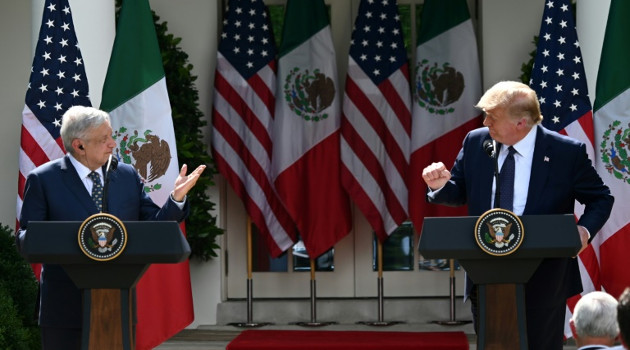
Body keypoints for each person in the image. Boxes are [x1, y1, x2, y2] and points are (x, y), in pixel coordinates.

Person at [421, 81, 614, 349]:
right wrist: (439, 185)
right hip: (485, 270)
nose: (485, 121)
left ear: (521, 123)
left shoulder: (565, 152)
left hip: (545, 275)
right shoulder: (477, 142)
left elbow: (600, 198)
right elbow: (460, 191)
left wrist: (584, 231)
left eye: (493, 116)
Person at [15, 106, 206, 350]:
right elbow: (26, 240)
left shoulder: (126, 175)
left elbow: (153, 228)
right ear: (79, 145)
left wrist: (176, 198)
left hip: (118, 305)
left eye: (111, 136)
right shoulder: (43, 179)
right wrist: (65, 239)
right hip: (63, 307)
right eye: (104, 138)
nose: (113, 144)